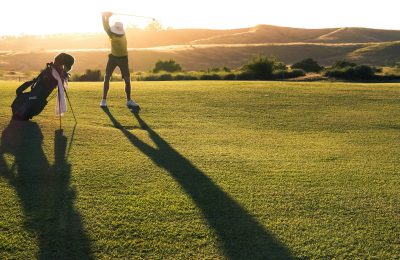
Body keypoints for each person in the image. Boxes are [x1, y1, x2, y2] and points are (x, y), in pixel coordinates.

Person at [100, 12, 139, 108]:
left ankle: (105, 100)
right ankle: (127, 100)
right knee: (124, 79)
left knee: (110, 78)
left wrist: (105, 16)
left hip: (120, 59)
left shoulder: (113, 36)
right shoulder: (121, 34)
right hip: (116, 58)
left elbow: (106, 27)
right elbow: (107, 27)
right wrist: (106, 16)